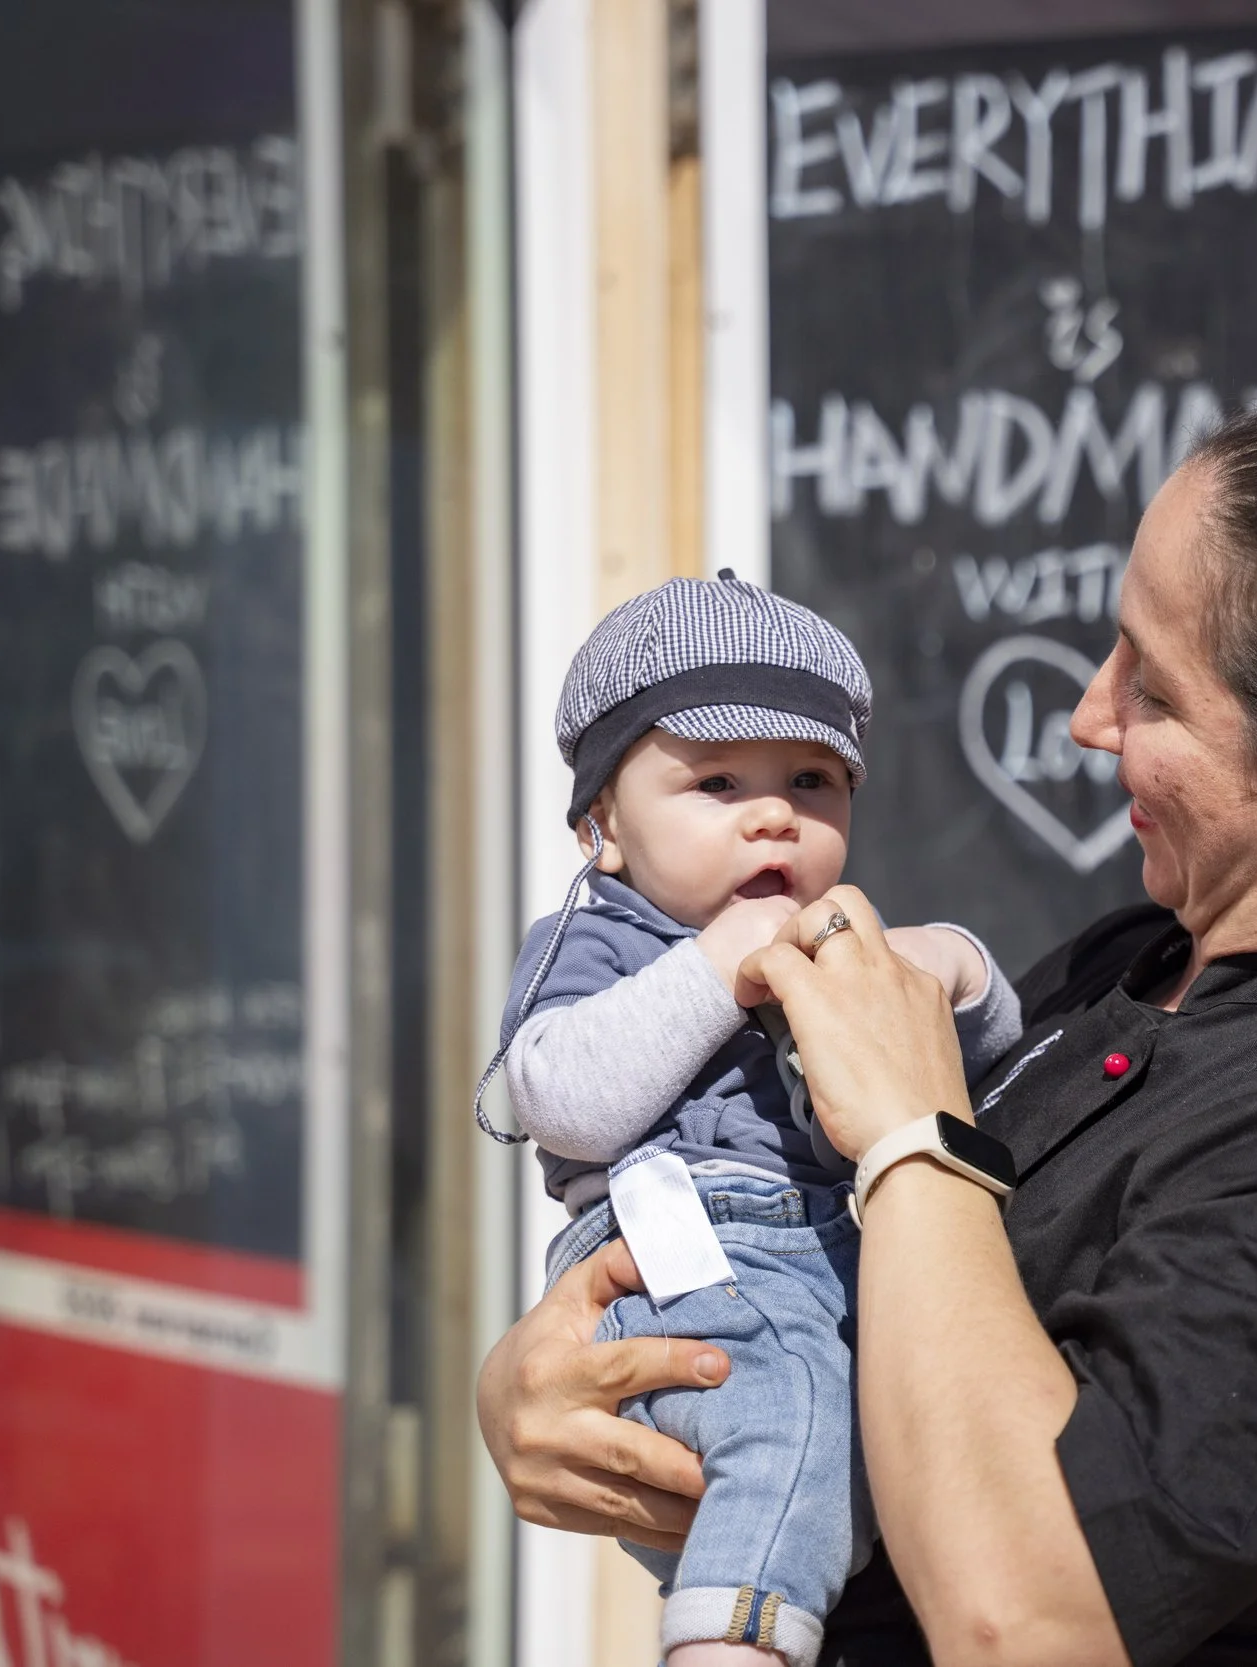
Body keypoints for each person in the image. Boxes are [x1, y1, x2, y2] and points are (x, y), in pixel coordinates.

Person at [479, 395, 1257, 1666]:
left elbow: (1023, 1615)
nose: (1090, 716)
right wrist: (544, 1394)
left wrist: (912, 1137)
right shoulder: (1128, 965)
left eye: (1150, 686)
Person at [479, 574, 1026, 1667]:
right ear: (603, 827)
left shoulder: (838, 939)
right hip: (684, 1252)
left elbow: (991, 1056)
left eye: (812, 780)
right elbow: (560, 1099)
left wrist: (956, 965)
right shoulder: (594, 939)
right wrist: (713, 968)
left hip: (823, 1259)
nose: (773, 812)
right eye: (717, 780)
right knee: (793, 1415)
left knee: (874, 1458)